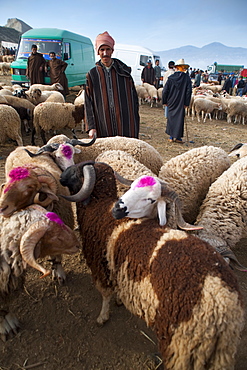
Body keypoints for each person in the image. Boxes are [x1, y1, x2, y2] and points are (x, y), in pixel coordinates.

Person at [84, 31, 140, 139]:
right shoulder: (92, 75)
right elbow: (88, 103)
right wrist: (91, 126)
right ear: (98, 52)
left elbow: (134, 100)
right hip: (103, 123)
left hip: (124, 123)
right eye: (102, 50)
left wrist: (134, 122)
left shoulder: (124, 72)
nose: (105, 53)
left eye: (108, 49)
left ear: (112, 51)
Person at [162, 58, 192, 144]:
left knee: (171, 118)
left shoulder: (171, 78)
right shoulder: (186, 78)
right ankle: (178, 137)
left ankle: (171, 137)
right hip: (181, 101)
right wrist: (186, 103)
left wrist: (165, 101)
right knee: (179, 118)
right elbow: (188, 91)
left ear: (177, 68)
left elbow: (165, 90)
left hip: (171, 101)